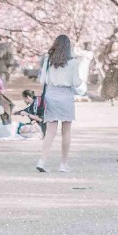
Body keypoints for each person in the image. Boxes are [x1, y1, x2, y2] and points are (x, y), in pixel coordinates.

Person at [36, 34, 84, 174]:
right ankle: (63, 164)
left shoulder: (48, 60)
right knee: (66, 132)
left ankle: (42, 161)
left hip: (51, 95)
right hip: (66, 96)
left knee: (50, 132)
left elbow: (42, 80)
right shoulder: (73, 62)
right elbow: (76, 82)